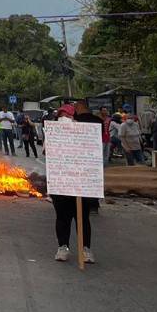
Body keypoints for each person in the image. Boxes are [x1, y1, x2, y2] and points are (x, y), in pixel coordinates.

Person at [50, 104, 98, 264]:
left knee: (82, 218)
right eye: (61, 116)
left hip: (80, 183)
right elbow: (48, 152)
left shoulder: (85, 132)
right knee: (62, 217)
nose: (64, 118)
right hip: (61, 182)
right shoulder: (53, 132)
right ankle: (62, 247)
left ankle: (85, 249)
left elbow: (93, 153)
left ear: (74, 117)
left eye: (68, 115)